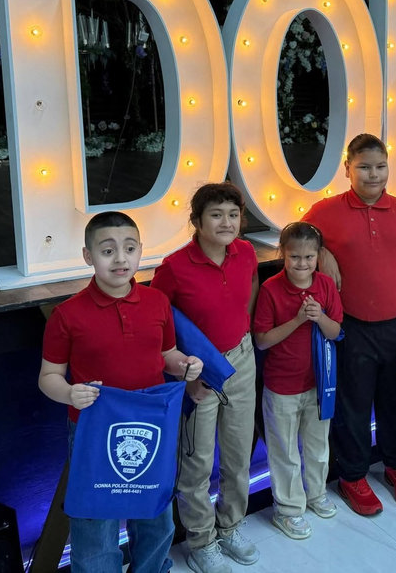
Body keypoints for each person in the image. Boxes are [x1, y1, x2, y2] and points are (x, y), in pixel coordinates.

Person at [39, 211, 204, 573]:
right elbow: (49, 376)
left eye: (129, 248)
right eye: (108, 250)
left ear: (141, 251)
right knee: (95, 521)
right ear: (88, 256)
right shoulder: (67, 315)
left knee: (155, 515)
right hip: (93, 429)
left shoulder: (157, 302)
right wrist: (69, 394)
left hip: (152, 426)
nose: (120, 258)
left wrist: (185, 365)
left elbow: (166, 356)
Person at [303, 133, 396, 516]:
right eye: (363, 167)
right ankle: (353, 475)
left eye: (380, 166)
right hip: (351, 327)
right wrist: (321, 250)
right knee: (354, 405)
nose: (373, 175)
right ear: (347, 169)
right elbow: (295, 240)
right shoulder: (325, 212)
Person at [150, 184, 259, 573]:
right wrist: (186, 377)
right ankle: (201, 541)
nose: (226, 222)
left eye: (233, 213)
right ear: (196, 221)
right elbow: (159, 325)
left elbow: (249, 292)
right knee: (197, 464)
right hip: (197, 373)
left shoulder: (245, 252)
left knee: (237, 454)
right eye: (216, 214)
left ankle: (231, 527)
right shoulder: (174, 267)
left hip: (242, 361)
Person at [253, 222, 343, 540]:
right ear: (283, 255)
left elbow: (336, 333)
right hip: (281, 387)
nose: (301, 264)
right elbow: (262, 341)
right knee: (284, 452)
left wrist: (321, 318)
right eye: (294, 257)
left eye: (308, 257)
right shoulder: (271, 290)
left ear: (318, 256)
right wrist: (298, 320)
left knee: (318, 447)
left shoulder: (326, 286)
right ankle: (288, 510)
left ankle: (316, 494)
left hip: (319, 384)